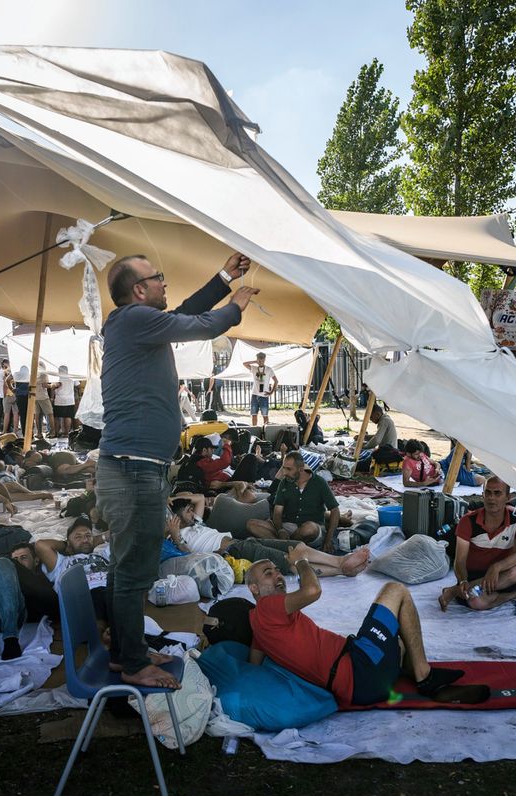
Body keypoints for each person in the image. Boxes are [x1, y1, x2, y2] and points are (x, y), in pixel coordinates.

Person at [97, 250, 256, 689]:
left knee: (124, 569)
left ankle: (122, 652)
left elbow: (186, 311)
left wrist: (223, 276)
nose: (166, 284)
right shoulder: (132, 320)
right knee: (133, 572)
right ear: (138, 290)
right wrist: (233, 308)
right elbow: (199, 324)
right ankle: (131, 663)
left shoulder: (140, 325)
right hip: (133, 470)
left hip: (132, 468)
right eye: (159, 278)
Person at [246, 557, 466, 707]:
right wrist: (301, 561)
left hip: (360, 686)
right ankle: (424, 677)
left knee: (398, 638)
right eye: (268, 573)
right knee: (395, 591)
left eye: (277, 571)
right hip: (360, 669)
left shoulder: (260, 628)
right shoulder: (267, 607)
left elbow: (253, 667)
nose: (278, 576)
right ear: (253, 589)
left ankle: (408, 668)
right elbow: (312, 590)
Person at [166, 497, 368, 577]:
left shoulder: (196, 523)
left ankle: (341, 562)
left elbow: (200, 498)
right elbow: (189, 558)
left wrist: (171, 499)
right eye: (188, 512)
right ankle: (341, 568)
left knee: (295, 546)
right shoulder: (178, 538)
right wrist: (175, 536)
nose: (193, 514)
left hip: (242, 542)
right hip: (232, 552)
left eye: (193, 511)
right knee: (288, 562)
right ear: (176, 518)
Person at [438, 476, 516, 611]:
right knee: (477, 603)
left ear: (508, 497)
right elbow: (460, 560)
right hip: (474, 576)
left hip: (502, 575)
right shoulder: (468, 521)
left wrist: (496, 567)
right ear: (483, 495)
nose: (491, 498)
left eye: (497, 493)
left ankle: (454, 591)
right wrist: (463, 581)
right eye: (488, 493)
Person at [246, 451, 339, 551]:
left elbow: (335, 511)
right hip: (288, 527)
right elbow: (277, 512)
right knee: (251, 524)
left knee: (308, 528)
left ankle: (280, 546)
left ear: (301, 469)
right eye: (284, 468)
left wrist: (328, 539)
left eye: (289, 469)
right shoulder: (284, 483)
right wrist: (280, 529)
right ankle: (287, 547)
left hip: (313, 528)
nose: (284, 472)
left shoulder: (319, 482)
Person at [244, 351, 278, 427]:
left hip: (264, 396)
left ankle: (266, 431)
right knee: (254, 414)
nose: (260, 362)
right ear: (257, 360)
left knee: (265, 415)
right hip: (255, 395)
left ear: (265, 360)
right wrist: (254, 362)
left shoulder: (269, 369)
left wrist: (271, 392)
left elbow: (276, 381)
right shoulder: (254, 368)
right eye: (259, 360)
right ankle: (254, 429)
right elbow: (244, 364)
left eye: (262, 360)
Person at [51, 366, 76, 438]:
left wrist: (52, 398)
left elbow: (53, 388)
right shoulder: (72, 377)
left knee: (57, 417)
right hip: (70, 400)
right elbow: (78, 385)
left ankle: (56, 432)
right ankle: (66, 433)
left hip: (59, 400)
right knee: (68, 416)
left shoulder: (57, 378)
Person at [33, 368, 53, 439]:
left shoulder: (33, 373)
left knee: (37, 415)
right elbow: (45, 385)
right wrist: (52, 385)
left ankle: (39, 433)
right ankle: (52, 432)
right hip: (43, 397)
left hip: (35, 396)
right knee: (50, 414)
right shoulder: (43, 374)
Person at [12, 365, 30, 435]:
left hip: (19, 396)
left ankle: (24, 432)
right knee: (29, 415)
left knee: (22, 415)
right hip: (28, 396)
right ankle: (29, 432)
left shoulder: (16, 374)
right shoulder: (29, 375)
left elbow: (7, 380)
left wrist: (13, 389)